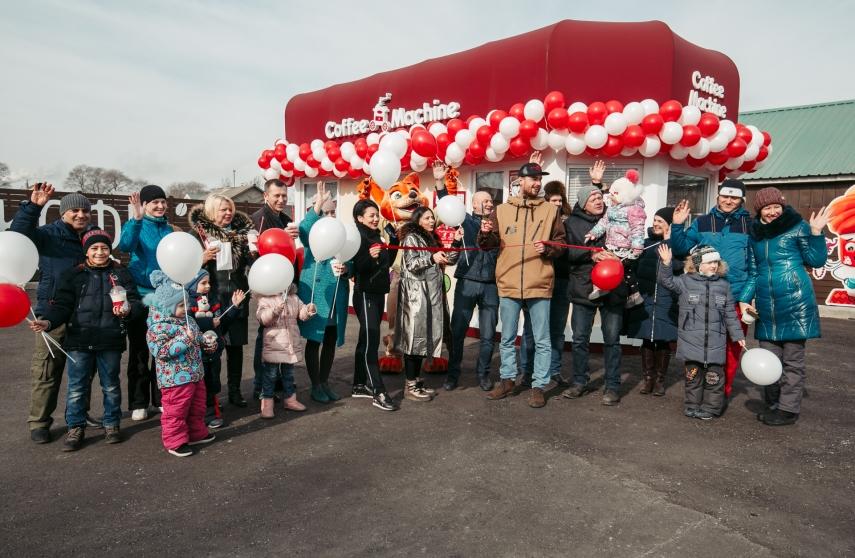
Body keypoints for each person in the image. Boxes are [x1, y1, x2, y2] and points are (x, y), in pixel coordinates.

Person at [29, 230, 142, 451]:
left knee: (110, 385)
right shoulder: (74, 275)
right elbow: (61, 306)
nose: (100, 252)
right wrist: (48, 322)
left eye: (104, 248)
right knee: (76, 387)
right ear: (86, 251)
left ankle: (112, 424)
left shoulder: (121, 274)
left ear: (110, 250)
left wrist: (128, 310)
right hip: (79, 340)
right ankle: (75, 427)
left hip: (110, 339)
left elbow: (136, 302)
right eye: (94, 248)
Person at [11, 184, 97, 443]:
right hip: (51, 312)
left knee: (83, 370)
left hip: (85, 314)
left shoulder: (91, 238)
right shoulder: (49, 234)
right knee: (46, 370)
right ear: (63, 213)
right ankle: (39, 422)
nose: (81, 215)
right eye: (75, 211)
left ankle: (79, 414)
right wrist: (33, 207)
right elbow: (18, 236)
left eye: (85, 211)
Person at [478, 158, 566, 408]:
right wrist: (485, 233)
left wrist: (549, 248)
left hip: (539, 283)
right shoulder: (502, 210)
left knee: (542, 339)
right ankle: (507, 380)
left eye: (540, 179)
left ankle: (539, 385)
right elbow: (487, 245)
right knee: (506, 338)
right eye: (533, 179)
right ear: (520, 181)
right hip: (508, 282)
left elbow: (561, 243)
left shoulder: (551, 210)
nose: (538, 183)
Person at [744, 188, 829, 426]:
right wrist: (744, 299)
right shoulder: (755, 236)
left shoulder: (798, 226)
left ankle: (787, 410)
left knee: (792, 360)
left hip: (795, 302)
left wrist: (815, 232)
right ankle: (773, 404)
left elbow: (816, 260)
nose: (772, 212)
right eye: (766, 208)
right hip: (766, 306)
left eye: (776, 207)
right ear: (759, 210)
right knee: (769, 358)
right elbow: (754, 272)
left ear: (782, 207)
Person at [670, 179, 755, 400]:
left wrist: (748, 296)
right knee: (703, 345)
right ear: (718, 197)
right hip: (706, 295)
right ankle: (700, 390)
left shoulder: (750, 225)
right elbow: (680, 248)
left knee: (732, 346)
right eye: (725, 196)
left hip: (736, 295)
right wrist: (677, 225)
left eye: (734, 197)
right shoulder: (703, 222)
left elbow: (756, 264)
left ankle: (720, 392)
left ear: (741, 200)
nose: (728, 201)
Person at [656, 244, 746, 420]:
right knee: (693, 377)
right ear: (698, 264)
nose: (714, 265)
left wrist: (738, 336)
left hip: (716, 342)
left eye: (716, 262)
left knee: (714, 378)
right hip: (691, 341)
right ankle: (692, 405)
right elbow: (666, 281)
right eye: (709, 262)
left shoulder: (723, 285)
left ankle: (711, 408)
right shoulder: (685, 282)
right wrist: (666, 263)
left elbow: (730, 314)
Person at [433, 162, 499, 392]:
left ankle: (484, 375)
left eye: (491, 201)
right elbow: (446, 204)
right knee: (458, 331)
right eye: (485, 200)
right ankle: (453, 375)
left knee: (489, 334)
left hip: (492, 285)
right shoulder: (466, 221)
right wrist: (440, 182)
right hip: (467, 282)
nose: (490, 204)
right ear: (474, 204)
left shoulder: (498, 224)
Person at [562, 185, 627, 406]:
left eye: (600, 197)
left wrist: (616, 255)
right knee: (580, 339)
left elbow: (630, 241)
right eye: (593, 198)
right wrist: (591, 254)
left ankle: (612, 386)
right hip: (583, 288)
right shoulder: (571, 223)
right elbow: (566, 253)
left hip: (613, 288)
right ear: (582, 203)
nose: (598, 201)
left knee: (612, 339)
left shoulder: (615, 217)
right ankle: (579, 381)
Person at [118, 185, 176, 421]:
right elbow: (125, 246)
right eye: (154, 202)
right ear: (144, 205)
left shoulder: (170, 229)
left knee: (164, 350)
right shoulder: (137, 225)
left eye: (163, 202)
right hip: (141, 294)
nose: (160, 206)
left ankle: (161, 397)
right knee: (140, 349)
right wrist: (136, 220)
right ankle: (138, 401)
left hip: (166, 296)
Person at [189, 193, 253, 407]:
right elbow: (186, 269)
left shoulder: (243, 234)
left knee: (235, 348)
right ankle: (210, 397)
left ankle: (235, 391)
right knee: (210, 349)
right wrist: (202, 258)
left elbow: (250, 266)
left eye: (230, 209)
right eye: (223, 209)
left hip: (236, 297)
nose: (228, 213)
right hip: (210, 301)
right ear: (210, 211)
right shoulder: (196, 235)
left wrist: (254, 254)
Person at [145, 271, 216, 457]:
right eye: (180, 305)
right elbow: (161, 352)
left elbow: (198, 338)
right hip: (174, 379)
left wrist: (207, 343)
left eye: (186, 304)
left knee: (197, 406)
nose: (186, 308)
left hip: (195, 374)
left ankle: (196, 433)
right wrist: (184, 340)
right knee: (176, 410)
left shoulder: (188, 320)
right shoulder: (157, 327)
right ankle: (175, 441)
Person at [395, 205, 461, 402]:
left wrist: (456, 242)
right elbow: (412, 264)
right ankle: (410, 385)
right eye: (426, 218)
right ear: (417, 220)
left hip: (431, 295)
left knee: (423, 340)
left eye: (432, 218)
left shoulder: (432, 238)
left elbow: (447, 259)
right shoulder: (411, 238)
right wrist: (431, 258)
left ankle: (415, 381)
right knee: (413, 340)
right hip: (415, 297)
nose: (431, 221)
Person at [298, 183, 350, 404]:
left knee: (330, 340)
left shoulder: (340, 232)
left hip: (336, 294)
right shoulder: (313, 234)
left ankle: (325, 381)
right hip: (316, 293)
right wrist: (317, 205)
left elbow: (350, 257)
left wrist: (347, 269)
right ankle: (315, 385)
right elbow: (304, 229)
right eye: (325, 212)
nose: (330, 216)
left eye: (332, 212)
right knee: (314, 339)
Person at [518, 180, 572, 388]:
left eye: (560, 200)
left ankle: (554, 370)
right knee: (532, 329)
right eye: (553, 200)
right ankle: (527, 371)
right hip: (538, 279)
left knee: (557, 329)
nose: (557, 204)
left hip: (561, 281)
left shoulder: (568, 221)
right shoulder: (537, 219)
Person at [624, 207, 683, 396]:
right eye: (655, 220)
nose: (656, 224)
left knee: (663, 340)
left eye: (661, 221)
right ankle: (647, 379)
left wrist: (668, 242)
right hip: (647, 298)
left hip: (667, 300)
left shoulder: (678, 246)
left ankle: (660, 380)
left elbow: (678, 268)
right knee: (647, 340)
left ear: (670, 226)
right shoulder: (644, 244)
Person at [251, 178, 299, 400]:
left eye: (284, 196)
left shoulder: (286, 220)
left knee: (282, 335)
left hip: (285, 285)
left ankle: (277, 383)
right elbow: (256, 254)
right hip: (267, 286)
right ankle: (261, 387)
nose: (281, 200)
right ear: (265, 196)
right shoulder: (259, 220)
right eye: (276, 196)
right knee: (266, 336)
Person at [350, 199, 400, 411]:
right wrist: (368, 258)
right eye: (371, 215)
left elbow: (386, 261)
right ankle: (378, 391)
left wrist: (395, 240)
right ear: (360, 218)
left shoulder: (376, 235)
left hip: (379, 293)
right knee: (371, 343)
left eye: (376, 214)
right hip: (365, 294)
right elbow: (354, 269)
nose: (376, 218)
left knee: (365, 340)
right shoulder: (356, 237)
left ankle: (359, 385)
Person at [185, 270, 246, 428]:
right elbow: (190, 326)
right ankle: (203, 415)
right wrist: (209, 324)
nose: (208, 286)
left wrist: (234, 306)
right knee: (200, 384)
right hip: (197, 355)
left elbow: (223, 322)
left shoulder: (213, 300)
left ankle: (210, 410)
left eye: (209, 282)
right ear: (192, 284)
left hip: (213, 352)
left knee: (212, 382)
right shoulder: (187, 303)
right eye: (203, 283)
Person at [584, 170, 646, 307]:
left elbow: (638, 230)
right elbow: (604, 223)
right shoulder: (612, 209)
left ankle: (634, 295)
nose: (611, 197)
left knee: (625, 271)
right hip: (611, 243)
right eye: (611, 193)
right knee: (601, 263)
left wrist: (637, 247)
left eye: (614, 194)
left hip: (624, 246)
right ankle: (600, 287)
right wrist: (594, 232)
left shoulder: (635, 210)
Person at [256, 285, 316, 418]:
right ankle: (267, 404)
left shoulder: (293, 297)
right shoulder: (265, 299)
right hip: (274, 345)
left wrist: (308, 310)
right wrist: (274, 311)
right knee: (270, 376)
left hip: (290, 346)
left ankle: (290, 399)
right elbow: (262, 319)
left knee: (289, 375)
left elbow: (301, 314)